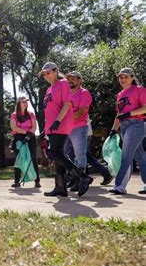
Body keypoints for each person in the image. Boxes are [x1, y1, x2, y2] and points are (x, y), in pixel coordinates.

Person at [39, 62, 91, 197]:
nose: (46, 76)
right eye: (44, 74)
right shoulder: (49, 89)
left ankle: (81, 176)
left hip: (61, 124)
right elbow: (49, 110)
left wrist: (57, 121)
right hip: (51, 126)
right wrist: (45, 129)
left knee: (53, 153)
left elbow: (67, 104)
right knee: (58, 156)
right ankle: (60, 187)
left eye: (48, 73)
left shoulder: (62, 83)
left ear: (56, 71)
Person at [108, 68, 146, 195]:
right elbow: (119, 114)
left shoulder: (139, 90)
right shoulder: (120, 94)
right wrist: (114, 129)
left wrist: (129, 113)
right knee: (140, 156)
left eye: (126, 77)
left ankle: (120, 186)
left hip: (136, 125)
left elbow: (145, 108)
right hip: (124, 126)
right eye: (121, 77)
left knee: (126, 155)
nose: (123, 80)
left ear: (132, 77)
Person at [63, 71, 95, 191]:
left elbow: (81, 111)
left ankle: (80, 180)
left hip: (79, 128)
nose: (70, 80)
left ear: (80, 80)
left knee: (80, 155)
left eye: (73, 78)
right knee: (64, 155)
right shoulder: (66, 94)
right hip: (65, 129)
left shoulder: (84, 93)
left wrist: (63, 119)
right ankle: (74, 177)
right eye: (68, 79)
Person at [9, 96, 41, 188]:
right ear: (18, 103)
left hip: (30, 137)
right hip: (18, 138)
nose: (25, 103)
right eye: (23, 102)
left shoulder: (31, 114)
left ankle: (37, 180)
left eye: (26, 102)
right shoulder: (14, 115)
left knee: (32, 158)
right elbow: (14, 127)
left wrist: (28, 136)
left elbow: (34, 127)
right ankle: (17, 181)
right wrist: (25, 132)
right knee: (19, 159)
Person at [84, 120, 113, 185]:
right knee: (86, 156)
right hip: (84, 132)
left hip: (82, 132)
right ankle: (105, 173)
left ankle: (83, 177)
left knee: (84, 155)